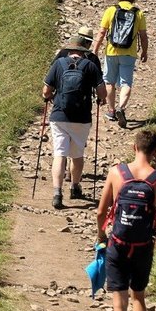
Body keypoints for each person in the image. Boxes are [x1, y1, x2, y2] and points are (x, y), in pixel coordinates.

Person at [96, 129, 156, 311]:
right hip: (143, 245)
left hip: (118, 243)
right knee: (138, 296)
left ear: (134, 147)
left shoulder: (116, 172)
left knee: (119, 300)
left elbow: (101, 212)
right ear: (155, 152)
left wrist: (101, 235)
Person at [43, 33, 107, 208]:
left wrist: (49, 97)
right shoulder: (90, 65)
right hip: (82, 117)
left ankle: (57, 193)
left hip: (59, 116)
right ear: (84, 50)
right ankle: (74, 187)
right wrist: (101, 100)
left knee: (60, 154)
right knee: (77, 155)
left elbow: (46, 91)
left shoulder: (58, 64)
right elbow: (102, 92)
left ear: (70, 49)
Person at [91, 0, 148, 128]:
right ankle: (121, 108)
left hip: (111, 51)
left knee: (109, 82)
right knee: (126, 83)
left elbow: (102, 32)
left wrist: (95, 50)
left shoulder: (111, 10)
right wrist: (144, 52)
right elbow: (143, 36)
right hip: (129, 53)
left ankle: (111, 111)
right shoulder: (138, 13)